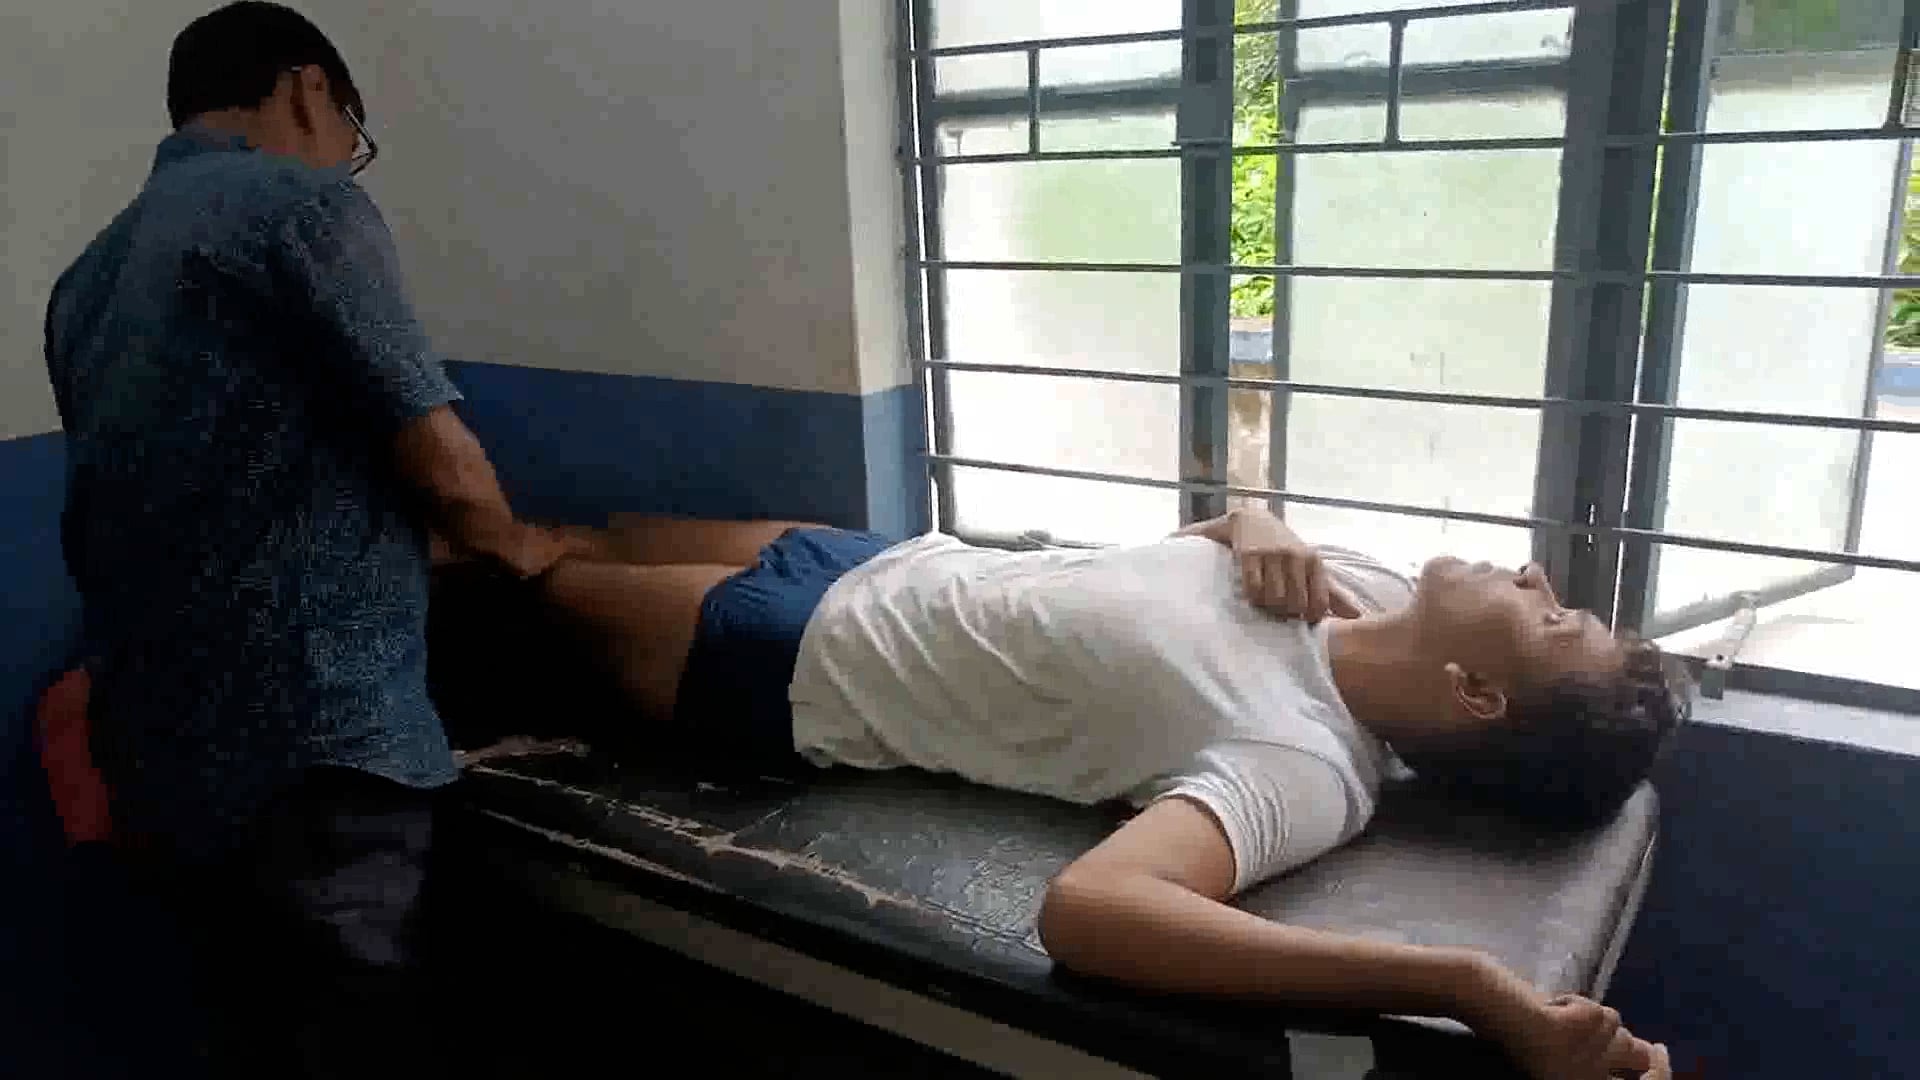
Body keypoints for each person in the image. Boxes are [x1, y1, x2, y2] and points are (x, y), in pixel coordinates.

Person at [514, 508, 1688, 1080]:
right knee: (570, 529)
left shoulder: (1302, 763)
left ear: (1476, 693)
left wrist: (1461, 984)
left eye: (1550, 616)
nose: (1533, 573)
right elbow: (1168, 564)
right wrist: (1248, 517)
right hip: (892, 557)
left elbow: (1094, 911)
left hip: (803, 657)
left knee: (520, 575)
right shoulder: (1363, 584)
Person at [42, 4, 580, 1075]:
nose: (346, 158)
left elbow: (213, 500)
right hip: (316, 750)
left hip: (164, 757)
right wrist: (521, 551)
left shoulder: (89, 279)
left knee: (248, 1031)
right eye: (351, 130)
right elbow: (443, 462)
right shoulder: (299, 206)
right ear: (307, 89)